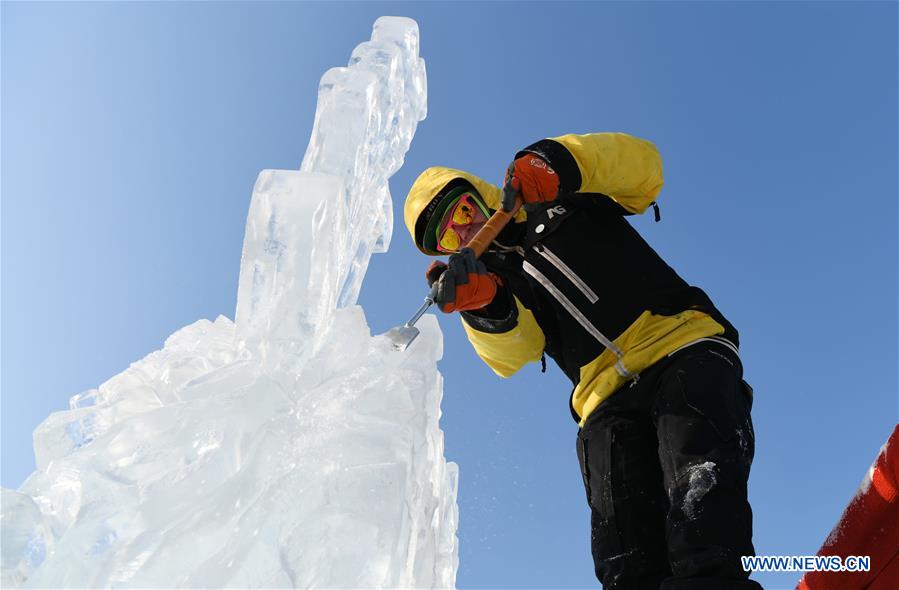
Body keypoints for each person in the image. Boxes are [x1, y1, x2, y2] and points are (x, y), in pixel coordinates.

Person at [403, 132, 763, 589]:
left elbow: (645, 172)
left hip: (678, 347)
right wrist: (487, 306)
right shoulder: (492, 279)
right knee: (624, 555)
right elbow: (516, 355)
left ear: (476, 194)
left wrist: (563, 163)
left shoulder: (558, 197)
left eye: (462, 212)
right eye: (447, 235)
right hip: (602, 399)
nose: (462, 230)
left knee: (700, 504)